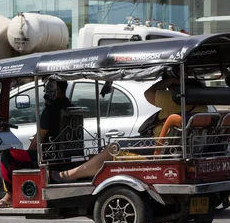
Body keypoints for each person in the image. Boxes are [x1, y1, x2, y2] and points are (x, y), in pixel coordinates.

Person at [51, 75, 207, 183]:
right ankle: (83, 170)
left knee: (114, 147)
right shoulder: (202, 105)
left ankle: (71, 175)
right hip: (174, 146)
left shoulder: (177, 99)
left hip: (157, 146)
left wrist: (169, 81)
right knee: (113, 146)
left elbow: (148, 94)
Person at [0, 79, 72, 208]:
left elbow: (36, 143)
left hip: (47, 155)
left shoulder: (50, 110)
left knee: (7, 154)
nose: (45, 91)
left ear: (57, 89)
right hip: (64, 155)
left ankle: (9, 195)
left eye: (48, 88)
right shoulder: (69, 106)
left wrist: (30, 150)